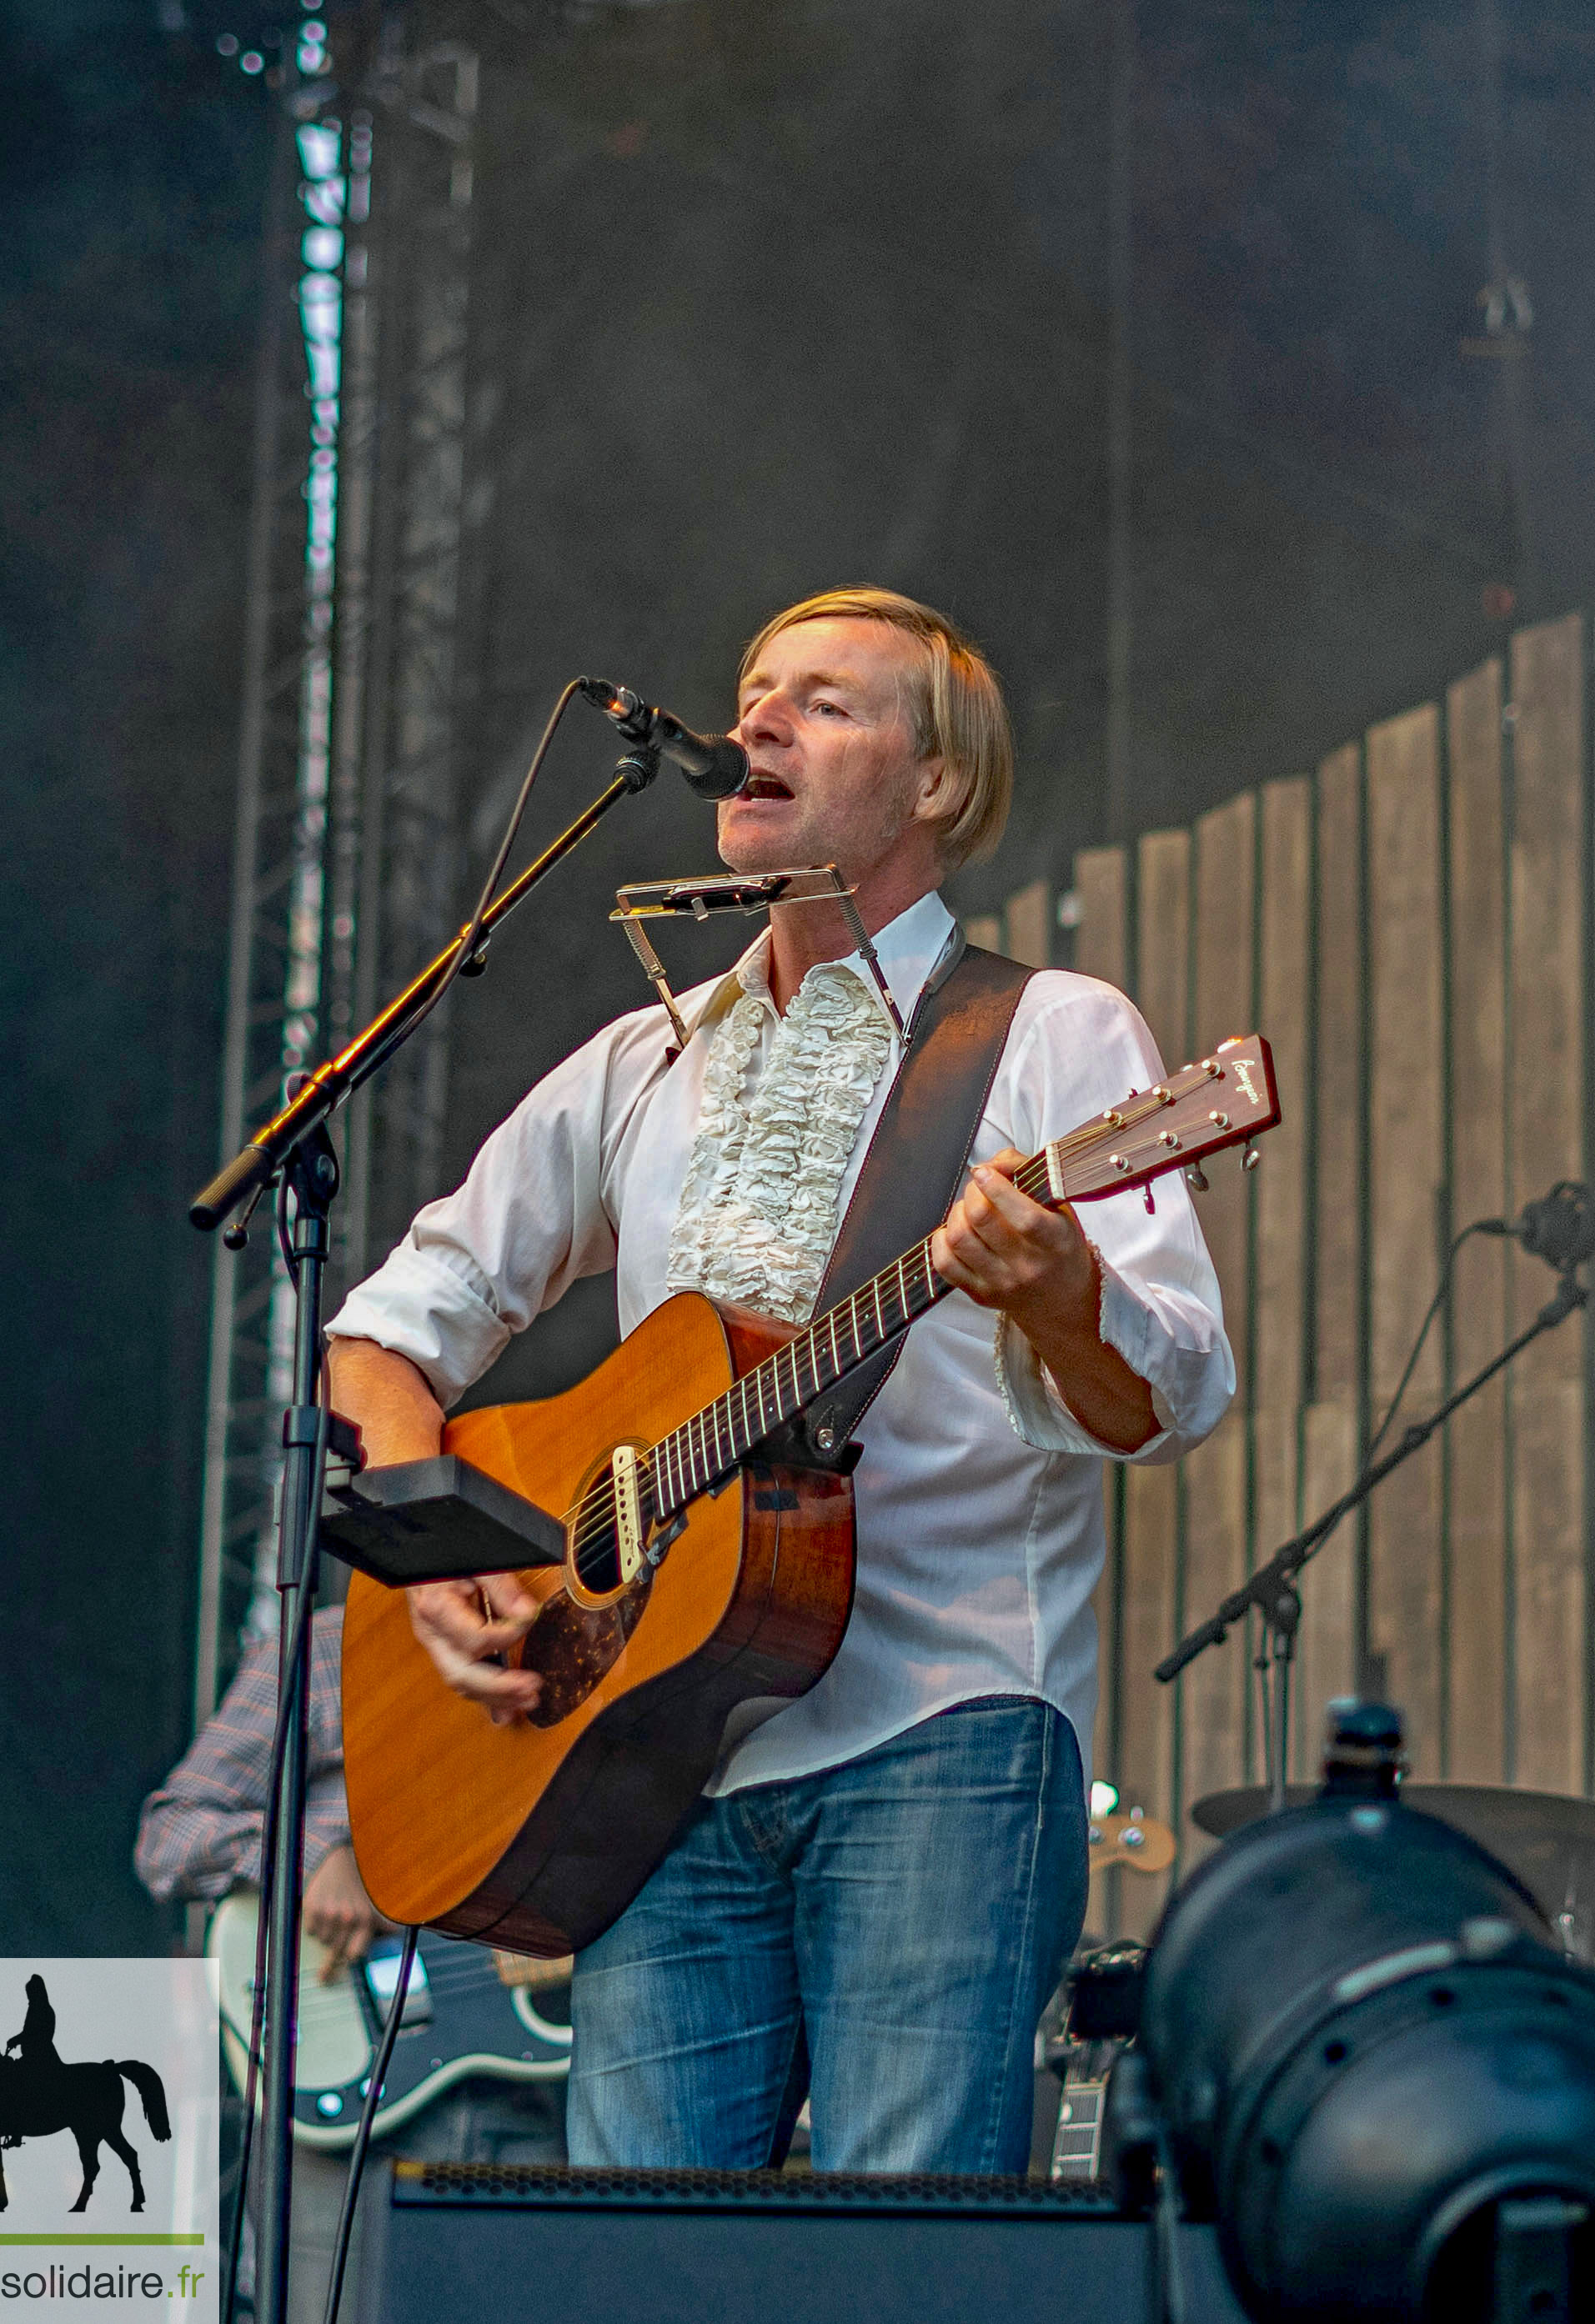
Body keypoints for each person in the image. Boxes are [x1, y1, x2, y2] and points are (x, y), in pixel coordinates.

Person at [324, 585, 1235, 2174]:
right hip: (645, 1756)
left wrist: (1061, 1289)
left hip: (939, 1733)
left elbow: (1168, 1390)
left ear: (932, 783)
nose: (751, 720)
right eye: (752, 691)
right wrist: (438, 1549)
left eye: (820, 700)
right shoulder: (645, 1056)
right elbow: (392, 1324)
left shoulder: (1047, 1032)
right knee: (646, 2273)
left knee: (890, 2267)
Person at [134, 1605, 564, 2322]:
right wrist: (313, 1860)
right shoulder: (327, 1646)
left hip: (520, 2104)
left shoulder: (573, 1650)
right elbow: (170, 1835)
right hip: (342, 2109)